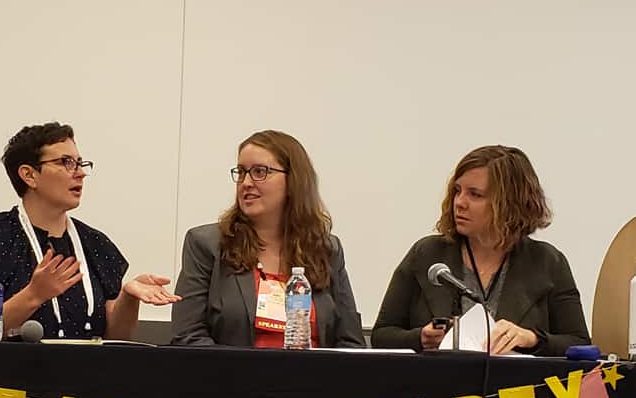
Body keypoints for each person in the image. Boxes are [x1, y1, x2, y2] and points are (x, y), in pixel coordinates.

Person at [0, 122, 179, 340]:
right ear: (29, 175)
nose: (79, 173)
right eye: (65, 162)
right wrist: (34, 295)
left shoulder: (96, 244)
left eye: (80, 163)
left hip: (86, 376)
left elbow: (118, 337)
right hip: (8, 376)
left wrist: (128, 298)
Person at [371, 145, 589, 355]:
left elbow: (578, 343)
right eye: (457, 191)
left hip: (514, 389)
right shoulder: (427, 254)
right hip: (433, 388)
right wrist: (420, 338)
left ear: (509, 203)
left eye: (475, 194)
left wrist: (532, 339)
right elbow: (382, 335)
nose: (459, 202)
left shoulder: (547, 262)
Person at [171, 130, 365, 348]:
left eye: (260, 172)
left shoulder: (326, 249)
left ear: (294, 181)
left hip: (313, 379)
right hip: (231, 379)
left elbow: (351, 342)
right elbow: (188, 336)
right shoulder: (207, 244)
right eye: (242, 172)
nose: (246, 182)